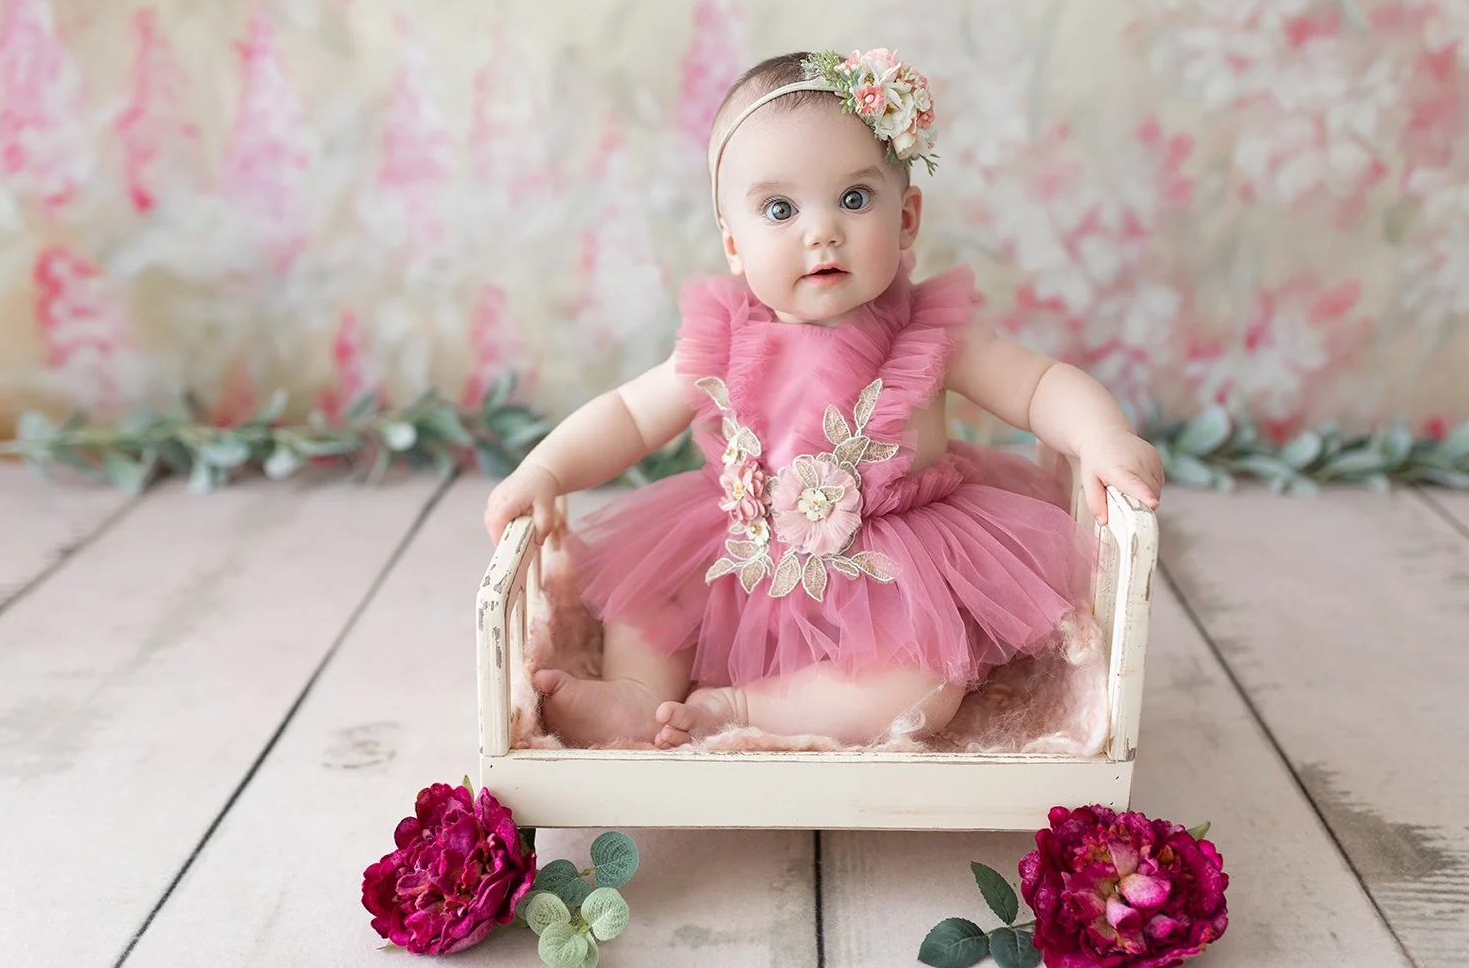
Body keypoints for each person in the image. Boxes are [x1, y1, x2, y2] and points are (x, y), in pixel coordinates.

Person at [483, 48, 1164, 750]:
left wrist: (1101, 437)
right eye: (780, 209)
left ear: (907, 219)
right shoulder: (723, 339)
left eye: (855, 199)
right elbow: (628, 415)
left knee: (926, 685)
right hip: (741, 555)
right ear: (734, 244)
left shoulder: (932, 332)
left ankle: (740, 708)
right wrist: (547, 469)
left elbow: (1039, 384)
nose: (822, 232)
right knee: (651, 594)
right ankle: (635, 694)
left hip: (896, 570)